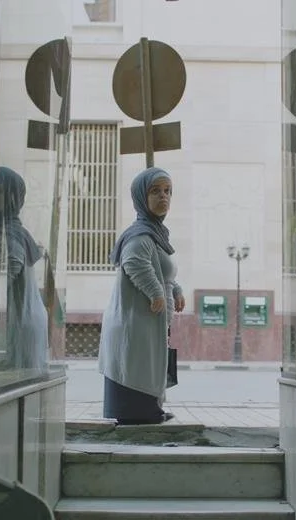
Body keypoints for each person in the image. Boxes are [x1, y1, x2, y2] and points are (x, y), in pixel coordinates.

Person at [98, 166, 185, 425]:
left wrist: (175, 289)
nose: (163, 196)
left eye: (168, 191)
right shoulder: (139, 235)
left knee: (148, 364)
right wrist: (156, 292)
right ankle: (136, 412)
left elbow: (162, 270)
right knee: (137, 366)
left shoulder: (156, 234)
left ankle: (150, 409)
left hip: (149, 320)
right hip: (136, 320)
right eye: (155, 191)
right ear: (141, 196)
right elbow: (134, 262)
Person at [0, 166, 48, 373]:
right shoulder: (11, 229)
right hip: (25, 319)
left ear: (10, 197)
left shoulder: (10, 233)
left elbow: (7, 271)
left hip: (24, 322)